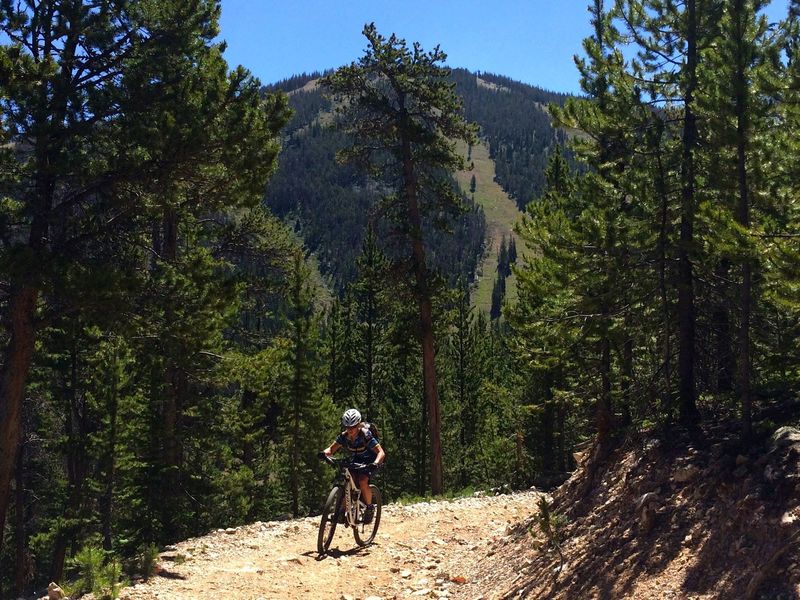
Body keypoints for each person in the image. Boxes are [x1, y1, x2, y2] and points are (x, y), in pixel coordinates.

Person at [321, 408, 385, 524]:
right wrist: (323, 454)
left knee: (362, 480)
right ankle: (342, 510)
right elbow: (331, 449)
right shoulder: (344, 436)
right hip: (356, 460)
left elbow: (381, 452)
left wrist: (375, 463)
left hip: (370, 461)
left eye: (353, 427)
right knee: (349, 481)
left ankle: (370, 508)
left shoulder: (366, 435)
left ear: (358, 425)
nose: (350, 430)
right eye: (347, 427)